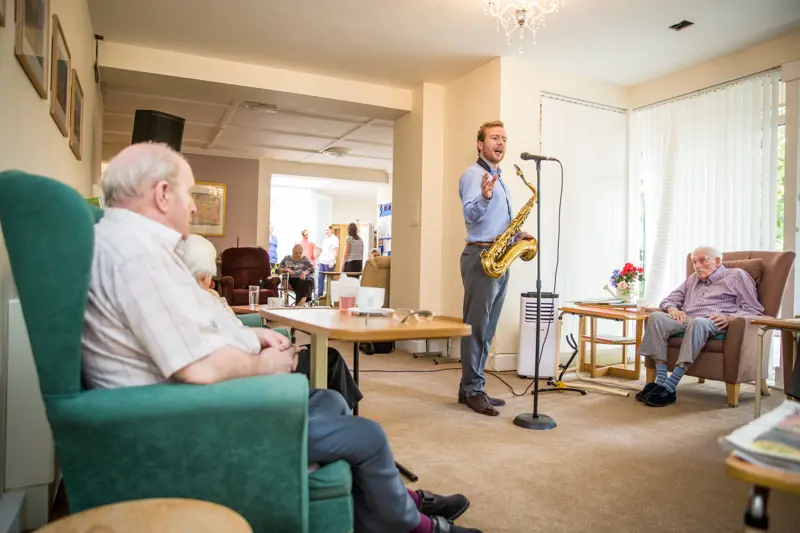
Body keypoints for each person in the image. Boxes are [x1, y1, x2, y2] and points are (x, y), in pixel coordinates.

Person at [82, 142, 481, 533]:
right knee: (367, 435)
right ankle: (411, 524)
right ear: (162, 193)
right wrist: (264, 364)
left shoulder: (137, 248)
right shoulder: (136, 256)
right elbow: (196, 368)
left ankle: (390, 506)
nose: (192, 206)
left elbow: (190, 331)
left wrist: (252, 338)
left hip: (197, 405)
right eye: (188, 193)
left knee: (330, 399)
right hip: (189, 424)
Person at [177, 233, 362, 409]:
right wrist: (278, 350)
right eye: (208, 276)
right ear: (201, 275)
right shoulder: (200, 305)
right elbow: (229, 344)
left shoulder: (198, 299)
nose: (211, 282)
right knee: (330, 357)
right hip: (259, 362)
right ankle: (343, 411)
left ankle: (340, 409)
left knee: (324, 356)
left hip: (256, 349)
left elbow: (232, 333)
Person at [458, 120, 534, 417]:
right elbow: (471, 215)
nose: (500, 143)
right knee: (476, 328)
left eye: (503, 138)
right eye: (494, 138)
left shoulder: (499, 178)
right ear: (480, 144)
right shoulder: (473, 175)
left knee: (487, 329)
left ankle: (470, 387)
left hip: (499, 255)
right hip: (481, 256)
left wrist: (516, 236)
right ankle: (473, 390)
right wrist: (485, 197)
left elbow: (497, 223)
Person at [636, 246, 763, 407]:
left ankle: (671, 385)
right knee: (655, 317)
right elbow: (669, 299)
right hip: (687, 318)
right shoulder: (693, 279)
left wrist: (730, 318)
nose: (697, 266)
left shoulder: (737, 276)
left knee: (698, 322)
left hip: (713, 321)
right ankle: (660, 380)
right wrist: (673, 309)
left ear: (718, 261)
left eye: (702, 261)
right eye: (694, 262)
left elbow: (754, 309)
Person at [317, 224, 339, 298]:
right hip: (322, 261)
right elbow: (324, 251)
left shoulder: (335, 239)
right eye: (325, 230)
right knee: (320, 280)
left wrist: (332, 262)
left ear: (331, 230)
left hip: (329, 262)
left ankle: (330, 297)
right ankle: (319, 297)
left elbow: (336, 251)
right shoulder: (325, 239)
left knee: (329, 281)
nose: (326, 231)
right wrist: (319, 260)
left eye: (327, 230)